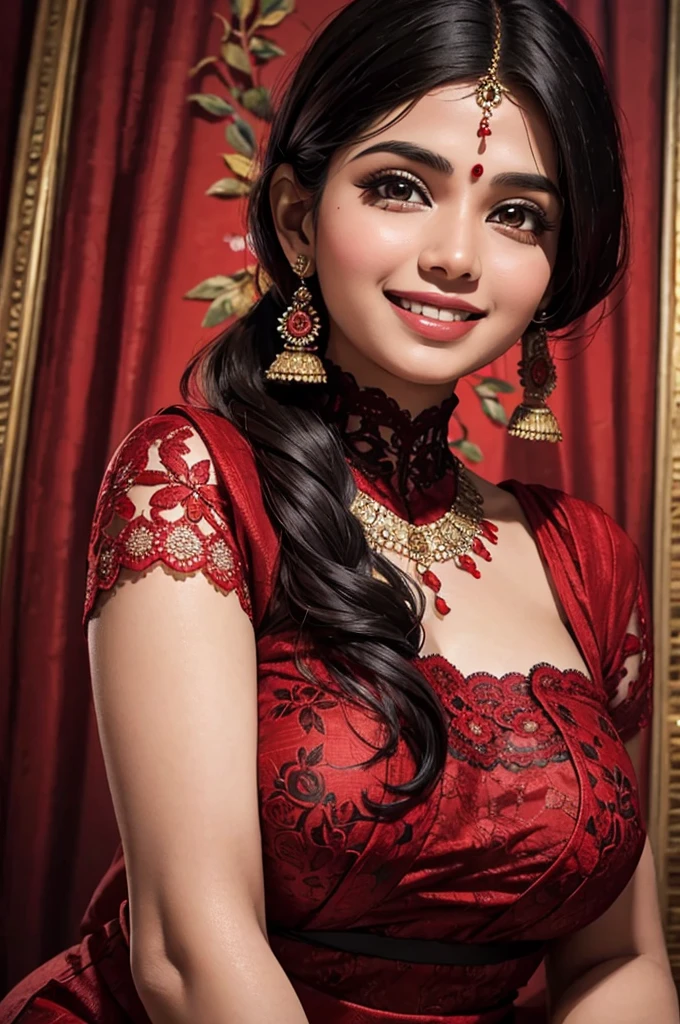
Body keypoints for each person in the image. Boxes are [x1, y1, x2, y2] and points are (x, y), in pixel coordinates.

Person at [1, 0, 677, 1021]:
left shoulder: (586, 558)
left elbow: (617, 963)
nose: (456, 254)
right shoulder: (193, 481)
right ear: (293, 217)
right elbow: (190, 953)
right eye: (400, 187)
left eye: (515, 213)